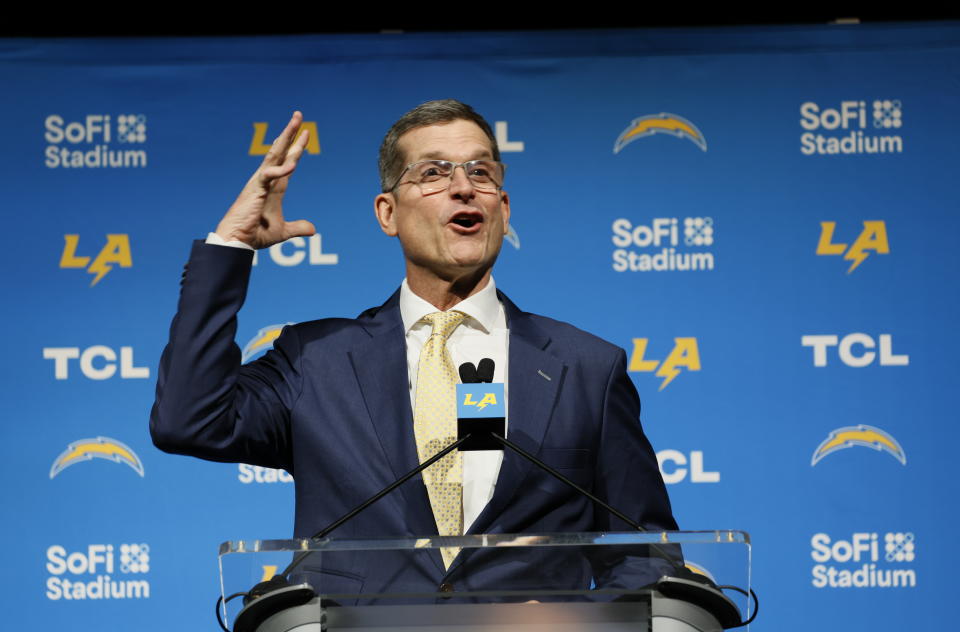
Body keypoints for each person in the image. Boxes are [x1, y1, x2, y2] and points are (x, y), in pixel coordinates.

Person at [150, 100, 678, 599]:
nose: (464, 188)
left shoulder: (586, 367)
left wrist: (571, 621)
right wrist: (231, 246)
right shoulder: (316, 358)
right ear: (388, 214)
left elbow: (648, 552)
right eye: (433, 173)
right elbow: (188, 419)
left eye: (481, 172)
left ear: (504, 207)